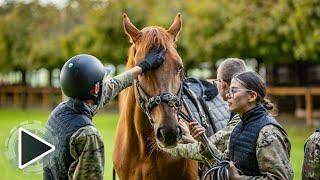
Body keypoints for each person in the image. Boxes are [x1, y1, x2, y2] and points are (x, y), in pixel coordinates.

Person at [43, 47, 165, 180]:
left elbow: (113, 85)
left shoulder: (58, 113)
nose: (105, 84)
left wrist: (144, 66)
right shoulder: (88, 135)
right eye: (101, 82)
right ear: (95, 89)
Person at [190, 71, 294, 179]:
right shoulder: (239, 126)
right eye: (229, 90)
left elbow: (280, 178)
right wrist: (203, 140)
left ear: (252, 96)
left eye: (233, 90)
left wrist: (239, 179)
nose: (227, 94)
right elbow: (225, 162)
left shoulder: (268, 132)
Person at [164, 58, 246, 162]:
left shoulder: (239, 123)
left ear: (223, 84)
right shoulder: (245, 115)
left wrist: (166, 147)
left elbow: (218, 158)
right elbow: (216, 154)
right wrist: (193, 140)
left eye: (217, 82)